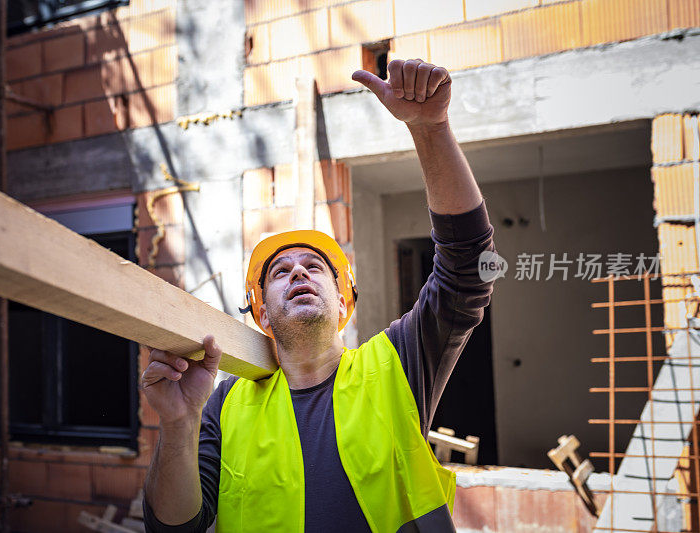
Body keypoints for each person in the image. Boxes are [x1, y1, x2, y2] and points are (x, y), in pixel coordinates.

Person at [141, 58, 495, 532]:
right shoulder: (222, 405)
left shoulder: (396, 366)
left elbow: (468, 270)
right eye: (281, 271)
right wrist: (178, 425)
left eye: (315, 267)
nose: (299, 273)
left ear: (344, 302)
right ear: (261, 312)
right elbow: (172, 528)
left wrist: (431, 130)